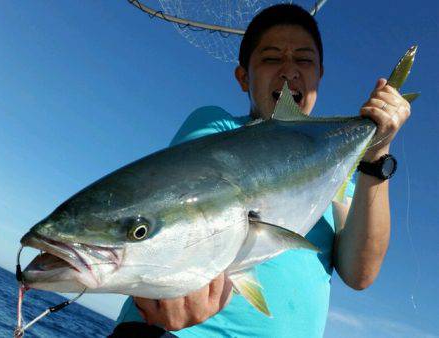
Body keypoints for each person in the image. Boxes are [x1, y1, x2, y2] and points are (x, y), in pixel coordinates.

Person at [112, 4, 411, 337]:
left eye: (304, 59)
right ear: (243, 77)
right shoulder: (218, 128)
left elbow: (360, 275)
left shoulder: (339, 177)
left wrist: (377, 150)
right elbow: (181, 199)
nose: (288, 70)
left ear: (319, 75)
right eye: (271, 58)